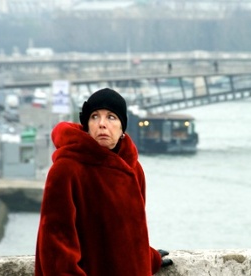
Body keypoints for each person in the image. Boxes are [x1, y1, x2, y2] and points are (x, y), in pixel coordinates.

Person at [35, 88, 173, 275]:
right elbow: (56, 247)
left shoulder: (133, 168)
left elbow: (128, 233)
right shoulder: (67, 169)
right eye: (94, 116)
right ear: (86, 125)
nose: (102, 124)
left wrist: (149, 259)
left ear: (122, 127)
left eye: (111, 117)